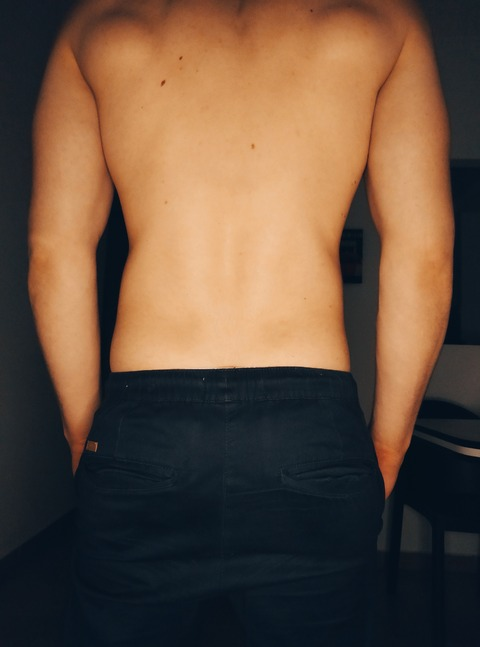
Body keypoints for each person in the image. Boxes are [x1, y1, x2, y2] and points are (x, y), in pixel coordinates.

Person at [28, 0, 454, 645]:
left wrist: (84, 437)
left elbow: (54, 254)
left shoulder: (98, 22)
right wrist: (389, 448)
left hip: (146, 427)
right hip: (311, 432)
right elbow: (424, 257)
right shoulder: (384, 19)